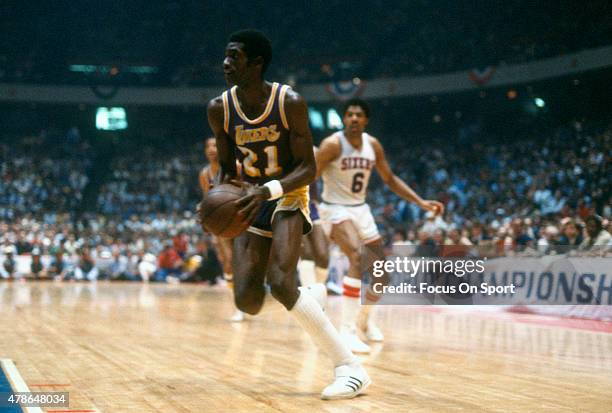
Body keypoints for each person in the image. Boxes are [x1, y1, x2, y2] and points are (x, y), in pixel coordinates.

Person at [206, 29, 369, 399]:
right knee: (246, 301)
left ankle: (350, 368)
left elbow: (308, 168)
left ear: (257, 62)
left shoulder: (288, 102)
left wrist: (269, 190)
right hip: (251, 199)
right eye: (226, 56)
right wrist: (220, 194)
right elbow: (228, 168)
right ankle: (310, 294)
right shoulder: (219, 108)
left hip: (288, 195)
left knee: (280, 281)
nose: (226, 63)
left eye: (235, 57)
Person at [316, 98, 444, 354]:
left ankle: (363, 320)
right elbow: (310, 175)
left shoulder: (372, 145)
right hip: (334, 209)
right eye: (349, 114)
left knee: (381, 274)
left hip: (361, 209)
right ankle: (346, 331)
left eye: (359, 115)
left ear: (366, 120)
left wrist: (420, 202)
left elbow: (390, 179)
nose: (353, 118)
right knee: (355, 256)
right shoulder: (332, 144)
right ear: (344, 119)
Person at [199, 137, 245, 321]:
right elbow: (208, 201)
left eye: (215, 145)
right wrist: (206, 220)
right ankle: (238, 305)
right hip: (222, 223)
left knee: (245, 261)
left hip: (242, 217)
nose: (211, 149)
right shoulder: (205, 174)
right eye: (207, 145)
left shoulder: (237, 167)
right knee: (228, 262)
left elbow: (250, 189)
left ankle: (252, 295)